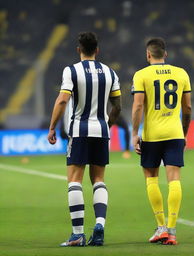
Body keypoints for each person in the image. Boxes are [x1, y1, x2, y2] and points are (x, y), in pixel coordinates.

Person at [48, 32, 121, 247]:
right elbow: (117, 106)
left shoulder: (71, 71)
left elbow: (62, 101)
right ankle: (99, 225)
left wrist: (52, 127)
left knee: (74, 180)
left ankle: (78, 234)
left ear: (78, 49)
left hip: (79, 131)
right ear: (97, 50)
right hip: (101, 131)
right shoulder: (110, 72)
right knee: (98, 179)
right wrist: (107, 125)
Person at [131, 37, 191, 245]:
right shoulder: (181, 73)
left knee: (151, 178)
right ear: (165, 54)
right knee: (174, 179)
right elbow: (188, 108)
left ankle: (161, 227)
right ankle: (172, 231)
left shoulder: (141, 75)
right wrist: (184, 132)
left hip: (152, 135)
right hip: (174, 133)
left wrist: (134, 133)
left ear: (148, 55)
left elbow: (138, 106)